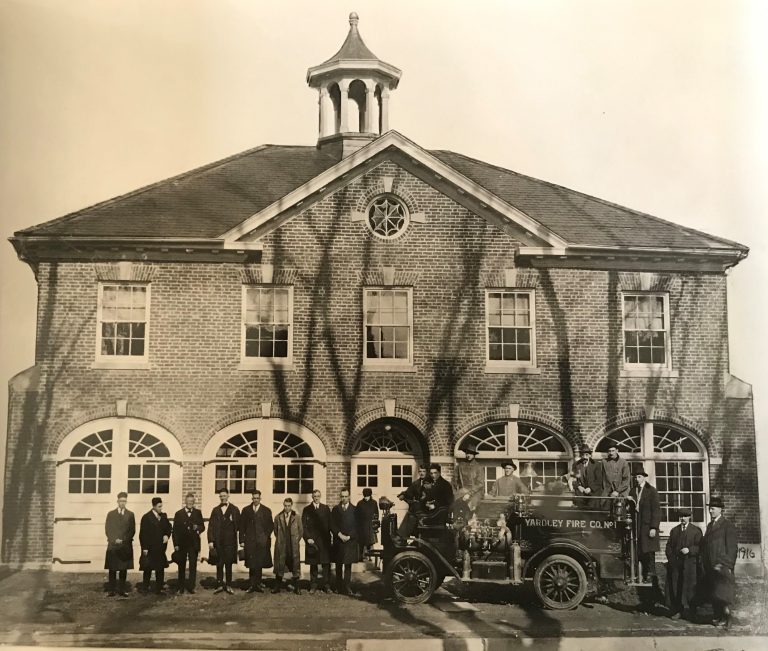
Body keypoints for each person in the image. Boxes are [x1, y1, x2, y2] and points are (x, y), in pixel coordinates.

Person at [698, 496, 738, 628]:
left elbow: (732, 548)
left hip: (722, 566)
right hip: (711, 566)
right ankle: (718, 616)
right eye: (710, 509)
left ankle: (727, 619)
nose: (711, 511)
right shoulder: (710, 526)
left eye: (713, 509)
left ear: (720, 510)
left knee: (724, 594)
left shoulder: (727, 526)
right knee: (715, 593)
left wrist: (726, 564)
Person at [665, 508, 702, 620]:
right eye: (681, 516)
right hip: (677, 564)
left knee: (691, 588)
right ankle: (678, 610)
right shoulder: (674, 530)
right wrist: (671, 560)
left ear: (689, 517)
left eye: (685, 516)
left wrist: (690, 550)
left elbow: (700, 547)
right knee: (676, 587)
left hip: (690, 564)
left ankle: (692, 611)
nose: (683, 519)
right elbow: (668, 547)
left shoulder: (696, 531)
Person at [632, 469, 661, 614]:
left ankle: (653, 601)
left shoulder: (651, 491)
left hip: (648, 533)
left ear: (644, 477)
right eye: (635, 476)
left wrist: (654, 527)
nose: (637, 479)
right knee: (639, 565)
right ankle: (642, 601)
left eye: (639, 476)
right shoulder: (633, 491)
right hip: (637, 533)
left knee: (649, 566)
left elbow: (656, 510)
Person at [208, 487, 240, 594]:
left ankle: (229, 585)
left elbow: (239, 525)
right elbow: (211, 527)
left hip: (230, 543)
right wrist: (211, 541)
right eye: (221, 496)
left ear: (228, 495)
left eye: (224, 496)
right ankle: (220, 584)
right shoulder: (215, 510)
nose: (222, 498)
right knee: (219, 564)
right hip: (218, 542)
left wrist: (233, 520)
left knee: (229, 564)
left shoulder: (235, 510)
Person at [239, 490, 273, 593]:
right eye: (254, 498)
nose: (255, 500)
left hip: (261, 542)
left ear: (260, 498)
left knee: (259, 563)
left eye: (257, 498)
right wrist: (242, 540)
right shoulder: (246, 510)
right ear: (252, 498)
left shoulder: (266, 510)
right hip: (250, 541)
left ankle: (258, 583)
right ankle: (252, 584)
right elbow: (241, 527)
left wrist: (265, 536)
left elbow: (270, 526)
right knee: (251, 564)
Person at [172, 492, 205, 594]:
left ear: (194, 502)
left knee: (193, 565)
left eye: (192, 501)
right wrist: (176, 544)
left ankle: (191, 586)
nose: (190, 503)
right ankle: (181, 587)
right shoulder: (179, 514)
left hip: (193, 544)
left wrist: (198, 528)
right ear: (185, 502)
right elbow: (175, 531)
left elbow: (203, 526)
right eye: (188, 501)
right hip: (182, 544)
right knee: (181, 565)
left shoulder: (198, 512)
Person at [139, 497, 172, 595]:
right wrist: (144, 548)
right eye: (159, 507)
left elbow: (169, 527)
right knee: (147, 568)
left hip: (160, 548)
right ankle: (145, 587)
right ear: (153, 506)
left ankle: (159, 588)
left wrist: (167, 535)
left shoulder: (163, 516)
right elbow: (143, 534)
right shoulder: (146, 517)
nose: (161, 508)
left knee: (160, 568)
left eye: (161, 506)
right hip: (150, 548)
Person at [104, 492, 135, 597]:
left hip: (125, 545)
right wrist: (114, 539)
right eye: (121, 501)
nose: (122, 503)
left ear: (126, 501)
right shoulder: (111, 514)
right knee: (112, 568)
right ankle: (111, 590)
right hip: (113, 545)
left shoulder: (130, 515)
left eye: (124, 501)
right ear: (117, 501)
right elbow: (108, 529)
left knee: (123, 569)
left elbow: (132, 530)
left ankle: (122, 590)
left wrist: (123, 540)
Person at [302, 489, 333, 594]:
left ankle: (327, 585)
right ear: (312, 497)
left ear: (320, 496)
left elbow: (330, 524)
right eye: (314, 496)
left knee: (326, 564)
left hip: (324, 541)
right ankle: (313, 585)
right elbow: (303, 527)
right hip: (312, 541)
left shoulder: (325, 508)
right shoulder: (307, 509)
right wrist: (308, 538)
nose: (316, 498)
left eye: (318, 496)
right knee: (313, 564)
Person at [331, 488, 360, 596]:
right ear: (340, 497)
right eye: (342, 496)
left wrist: (349, 536)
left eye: (345, 496)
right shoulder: (335, 509)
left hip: (350, 541)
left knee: (348, 565)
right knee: (338, 564)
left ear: (349, 496)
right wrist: (339, 534)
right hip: (339, 540)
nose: (344, 498)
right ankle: (338, 587)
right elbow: (332, 524)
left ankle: (347, 587)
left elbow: (358, 526)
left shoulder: (355, 509)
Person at [272, 497, 303, 594]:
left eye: (289, 506)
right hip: (282, 545)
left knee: (295, 565)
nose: (287, 508)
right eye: (285, 506)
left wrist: (295, 540)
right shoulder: (278, 517)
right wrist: (281, 541)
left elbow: (301, 531)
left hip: (292, 545)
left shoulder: (297, 517)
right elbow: (276, 532)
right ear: (283, 505)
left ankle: (297, 587)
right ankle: (277, 586)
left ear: (291, 505)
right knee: (280, 565)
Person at [453, 442, 485, 510]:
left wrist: (469, 494)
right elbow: (454, 480)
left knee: (471, 504)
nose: (468, 455)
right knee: (453, 501)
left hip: (476, 491)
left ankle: (472, 518)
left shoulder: (478, 467)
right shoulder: (460, 465)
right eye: (467, 453)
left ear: (474, 455)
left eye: (471, 453)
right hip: (463, 489)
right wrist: (455, 490)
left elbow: (480, 484)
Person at [356, 488, 379, 558]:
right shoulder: (360, 503)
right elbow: (356, 515)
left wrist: (375, 524)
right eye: (365, 496)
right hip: (361, 525)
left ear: (370, 495)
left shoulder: (374, 503)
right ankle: (360, 556)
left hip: (370, 525)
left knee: (370, 542)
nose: (366, 498)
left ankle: (370, 556)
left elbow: (376, 514)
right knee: (361, 542)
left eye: (367, 496)